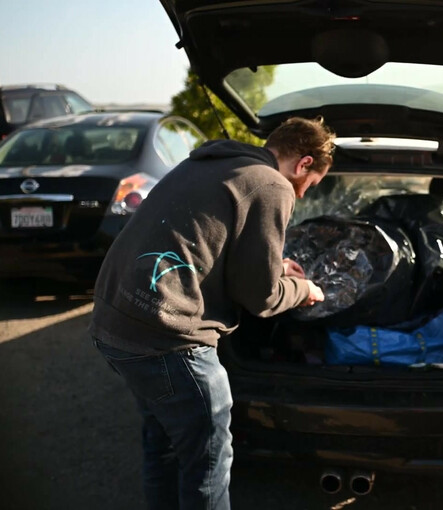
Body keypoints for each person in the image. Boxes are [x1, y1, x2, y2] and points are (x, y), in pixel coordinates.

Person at [89, 116, 336, 509]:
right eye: (312, 184)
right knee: (208, 465)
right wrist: (304, 289)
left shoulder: (208, 163)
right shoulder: (273, 184)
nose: (304, 194)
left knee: (165, 447)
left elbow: (204, 239)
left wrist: (277, 265)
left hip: (114, 324)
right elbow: (262, 297)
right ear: (304, 163)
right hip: (168, 341)